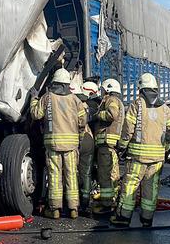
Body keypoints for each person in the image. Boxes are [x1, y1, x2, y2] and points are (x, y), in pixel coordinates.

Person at [111, 73, 170, 228]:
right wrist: (165, 149)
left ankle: (123, 218)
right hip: (157, 158)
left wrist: (122, 146)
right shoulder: (165, 109)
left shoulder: (137, 104)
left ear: (141, 88)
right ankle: (147, 219)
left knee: (130, 186)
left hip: (138, 156)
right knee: (151, 188)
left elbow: (128, 128)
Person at [30, 68, 86, 219]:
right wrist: (78, 134)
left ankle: (55, 210)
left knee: (55, 175)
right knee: (71, 175)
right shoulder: (75, 100)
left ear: (54, 82)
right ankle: (73, 209)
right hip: (71, 145)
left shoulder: (48, 97)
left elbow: (36, 114)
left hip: (53, 143)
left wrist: (34, 98)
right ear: (67, 83)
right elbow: (83, 120)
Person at [93, 78, 124, 214]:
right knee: (113, 174)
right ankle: (113, 200)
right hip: (111, 145)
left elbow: (112, 114)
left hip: (106, 145)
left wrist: (96, 114)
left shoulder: (111, 100)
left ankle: (106, 204)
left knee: (105, 175)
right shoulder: (119, 101)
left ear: (108, 89)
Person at [77, 81, 101, 211]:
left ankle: (78, 199)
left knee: (74, 171)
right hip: (91, 141)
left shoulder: (82, 104)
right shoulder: (95, 105)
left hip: (81, 140)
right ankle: (85, 200)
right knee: (86, 172)